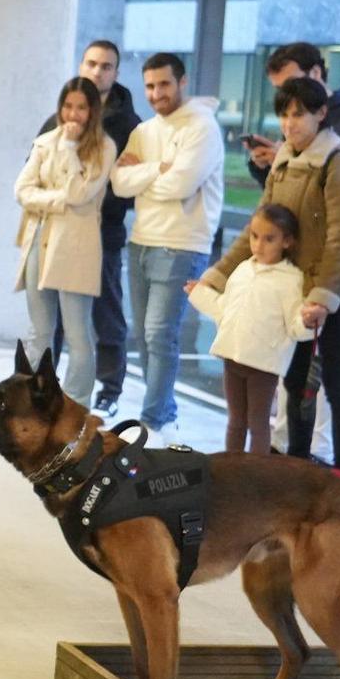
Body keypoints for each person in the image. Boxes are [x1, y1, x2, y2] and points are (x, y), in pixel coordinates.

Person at [196, 75, 340, 478]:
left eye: (299, 115)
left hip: (334, 288)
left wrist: (324, 296)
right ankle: (295, 468)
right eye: (284, 116)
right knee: (294, 383)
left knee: (335, 382)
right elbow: (259, 227)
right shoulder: (285, 161)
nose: (290, 125)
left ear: (321, 114)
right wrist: (218, 275)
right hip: (295, 290)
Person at [108, 52, 224, 438]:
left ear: (182, 82)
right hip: (142, 241)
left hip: (182, 244)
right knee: (143, 335)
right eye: (150, 86)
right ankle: (164, 413)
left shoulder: (202, 127)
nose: (157, 93)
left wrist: (144, 176)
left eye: (164, 84)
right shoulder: (144, 132)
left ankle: (154, 418)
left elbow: (181, 185)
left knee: (160, 333)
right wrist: (158, 168)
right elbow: (118, 182)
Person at [42, 40, 140, 414]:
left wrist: (92, 202)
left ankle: (110, 389)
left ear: (115, 73)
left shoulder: (130, 125)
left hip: (103, 233)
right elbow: (36, 164)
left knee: (105, 314)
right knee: (56, 317)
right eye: (92, 63)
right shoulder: (61, 117)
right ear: (82, 65)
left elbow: (128, 185)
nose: (97, 71)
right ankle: (49, 384)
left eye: (106, 66)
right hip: (58, 232)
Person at [14, 78, 115, 405]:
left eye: (81, 107)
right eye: (68, 106)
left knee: (77, 332)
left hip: (76, 246)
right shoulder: (45, 142)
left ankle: (77, 403)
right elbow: (22, 191)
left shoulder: (104, 147)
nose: (73, 114)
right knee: (39, 329)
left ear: (92, 110)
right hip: (39, 239)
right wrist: (58, 202)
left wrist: (71, 150)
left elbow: (81, 194)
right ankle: (34, 397)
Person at [189, 205, 318, 455]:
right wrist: (199, 293)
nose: (259, 245)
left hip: (263, 365)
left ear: (287, 241)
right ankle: (231, 470)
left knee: (257, 424)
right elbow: (223, 308)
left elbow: (294, 327)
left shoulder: (290, 279)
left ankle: (258, 476)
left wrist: (308, 322)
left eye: (269, 239)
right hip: (232, 357)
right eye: (254, 236)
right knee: (235, 421)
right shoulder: (243, 269)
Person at [243, 42, 340, 182]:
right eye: (280, 89)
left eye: (292, 83)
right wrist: (267, 165)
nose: (286, 94)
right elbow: (286, 190)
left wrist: (289, 163)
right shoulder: (296, 114)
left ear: (315, 73)